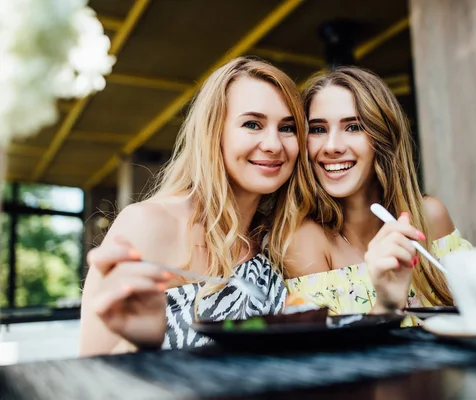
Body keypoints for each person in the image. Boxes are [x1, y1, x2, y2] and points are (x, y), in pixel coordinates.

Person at [79, 56, 315, 356]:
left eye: (288, 127)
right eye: (252, 124)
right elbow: (87, 377)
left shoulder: (275, 238)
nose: (273, 144)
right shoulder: (148, 224)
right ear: (213, 132)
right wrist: (138, 344)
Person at [283, 66, 472, 322]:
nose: (332, 147)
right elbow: (329, 356)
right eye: (318, 129)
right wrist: (386, 303)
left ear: (383, 138)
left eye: (353, 127)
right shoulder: (305, 241)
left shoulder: (430, 217)